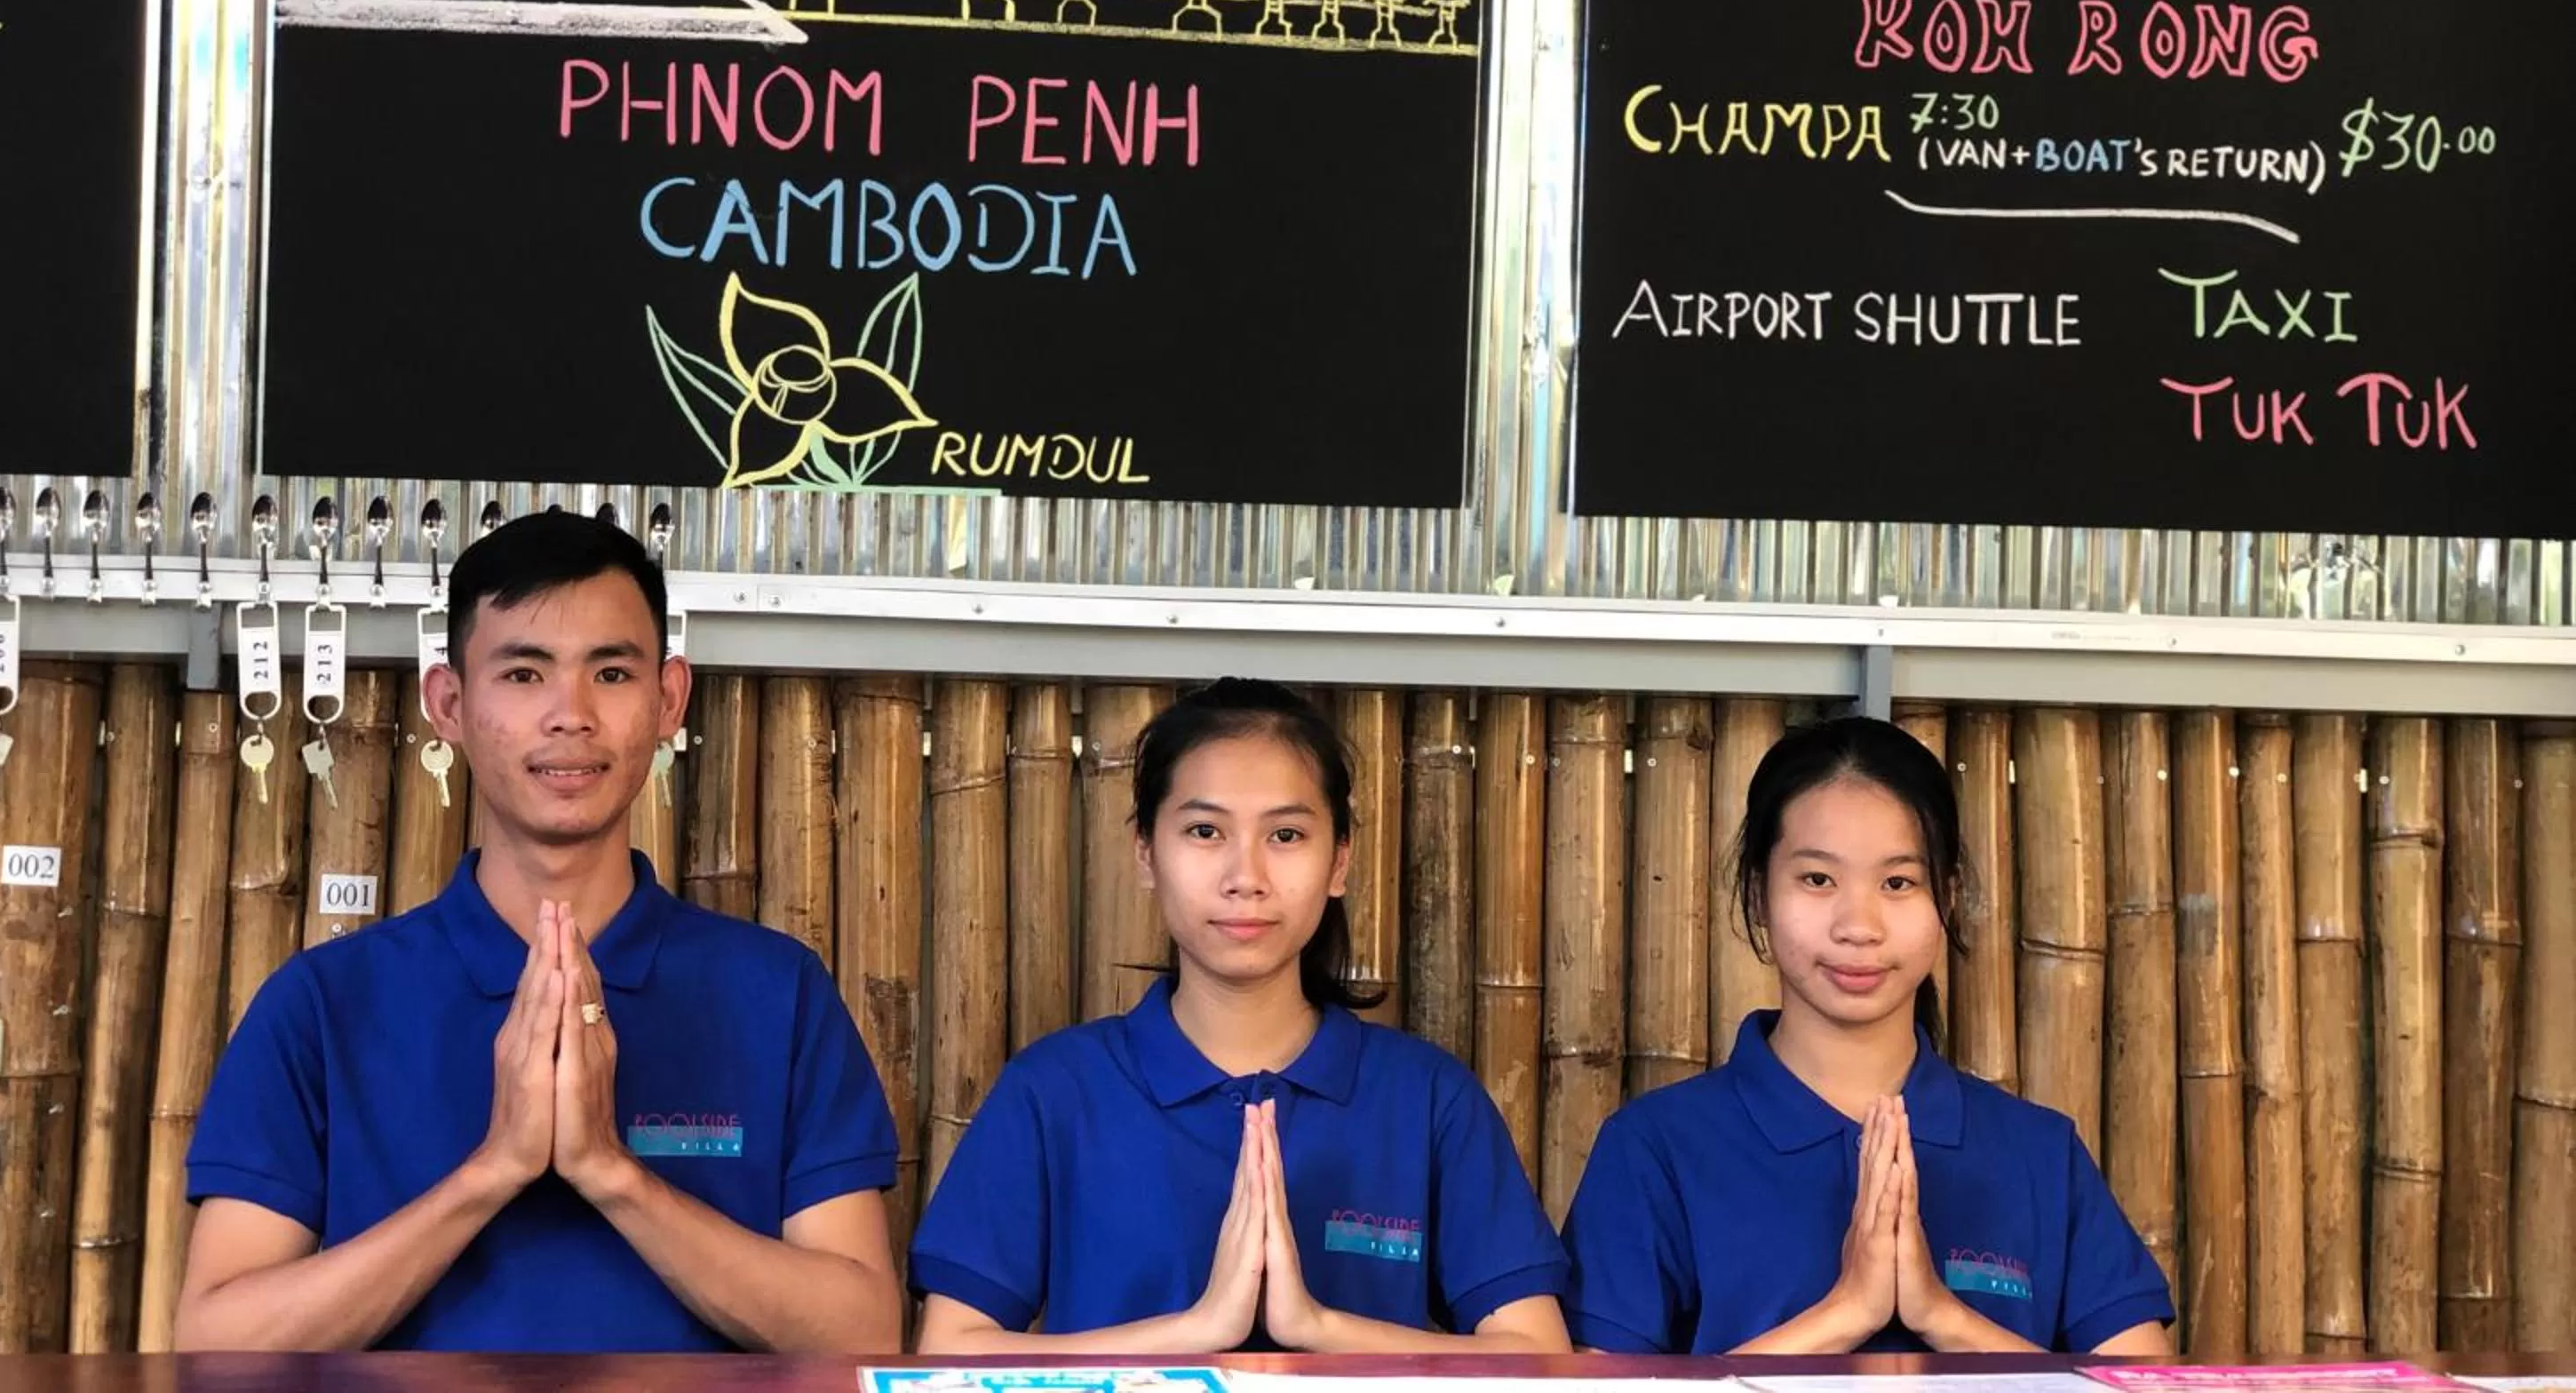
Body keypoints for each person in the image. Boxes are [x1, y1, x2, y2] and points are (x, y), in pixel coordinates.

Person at [176, 511, 902, 1352]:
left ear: (669, 700)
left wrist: (611, 1173)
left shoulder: (777, 994)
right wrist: (495, 1169)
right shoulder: (323, 1005)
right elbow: (215, 1340)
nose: (571, 715)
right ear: (448, 703)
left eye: (612, 673)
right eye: (523, 675)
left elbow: (863, 1330)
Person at [910, 678, 1569, 1354]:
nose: (1244, 875)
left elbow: (1538, 1354)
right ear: (1146, 853)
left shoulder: (1428, 1099)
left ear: (1339, 860)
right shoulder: (1054, 1091)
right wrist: (1197, 1331)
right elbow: (950, 1347)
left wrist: (1318, 1327)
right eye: (1204, 830)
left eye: (1286, 834)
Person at [1561, 716, 2175, 1357]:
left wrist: (1943, 1315)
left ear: (1950, 900)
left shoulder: (2040, 1154)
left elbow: (2140, 1381)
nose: (1860, 925)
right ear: (1757, 893)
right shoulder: (1654, 1149)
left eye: (1899, 883)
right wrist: (1844, 1314)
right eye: (1818, 879)